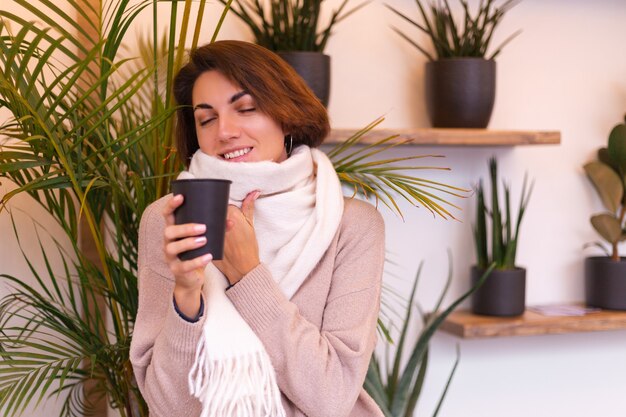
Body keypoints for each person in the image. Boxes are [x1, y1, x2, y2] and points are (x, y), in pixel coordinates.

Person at [129, 40, 385, 417]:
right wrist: (186, 295)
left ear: (287, 114)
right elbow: (170, 407)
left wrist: (247, 274)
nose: (225, 131)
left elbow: (330, 398)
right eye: (206, 118)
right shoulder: (169, 219)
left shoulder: (351, 226)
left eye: (246, 108)